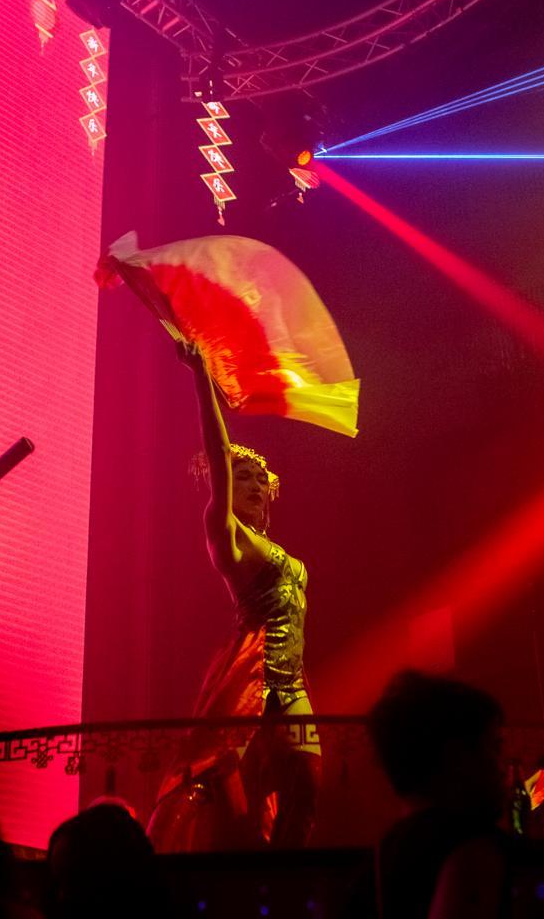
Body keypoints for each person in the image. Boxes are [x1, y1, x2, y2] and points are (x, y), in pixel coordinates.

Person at [147, 341, 322, 851]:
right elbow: (221, 454)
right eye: (240, 477)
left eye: (257, 479)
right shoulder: (228, 536)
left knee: (307, 783)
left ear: (270, 492)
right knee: (227, 792)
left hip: (292, 679)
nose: (249, 484)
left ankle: (286, 874)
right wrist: (201, 376)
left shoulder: (283, 551)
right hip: (251, 674)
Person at [366, 670, 510, 919]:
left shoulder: (385, 850)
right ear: (456, 757)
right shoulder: (472, 848)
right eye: (494, 747)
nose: (503, 766)